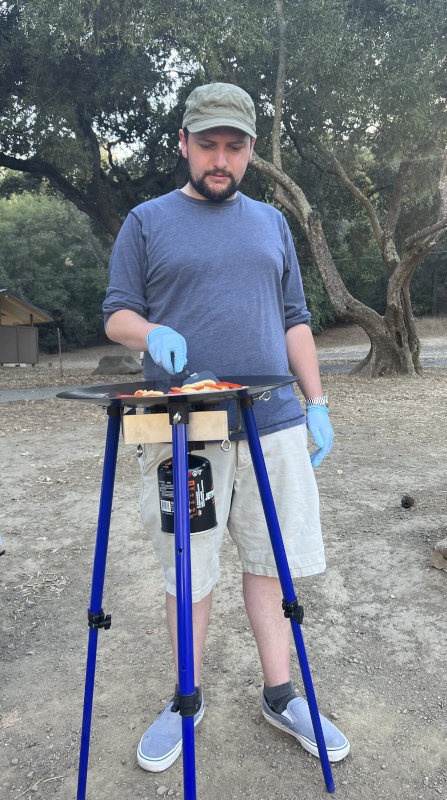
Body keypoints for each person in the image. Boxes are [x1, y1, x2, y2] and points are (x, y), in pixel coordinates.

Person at [103, 82, 350, 773]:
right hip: (183, 431)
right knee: (190, 569)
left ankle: (280, 695)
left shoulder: (271, 223)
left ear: (249, 153)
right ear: (182, 144)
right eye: (205, 145)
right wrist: (151, 331)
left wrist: (317, 402)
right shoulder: (145, 220)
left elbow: (295, 318)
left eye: (232, 147)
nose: (219, 159)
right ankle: (186, 697)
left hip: (272, 422)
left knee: (272, 565)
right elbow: (117, 313)